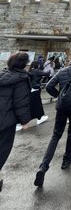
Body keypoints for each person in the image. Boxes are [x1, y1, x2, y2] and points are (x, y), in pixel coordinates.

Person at [34, 56, 71, 188]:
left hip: (62, 106)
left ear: (70, 62)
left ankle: (43, 167)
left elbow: (49, 86)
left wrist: (58, 95)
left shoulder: (62, 71)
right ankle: (66, 159)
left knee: (56, 135)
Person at [0, 52, 31, 192]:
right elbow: (20, 102)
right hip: (6, 121)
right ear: (23, 64)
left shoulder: (2, 74)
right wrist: (25, 121)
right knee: (3, 150)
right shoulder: (21, 78)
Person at [28, 61, 50, 125]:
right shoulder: (37, 71)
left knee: (32, 105)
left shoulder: (30, 70)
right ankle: (40, 118)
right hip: (35, 89)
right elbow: (47, 73)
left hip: (30, 89)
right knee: (37, 104)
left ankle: (40, 117)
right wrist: (48, 69)